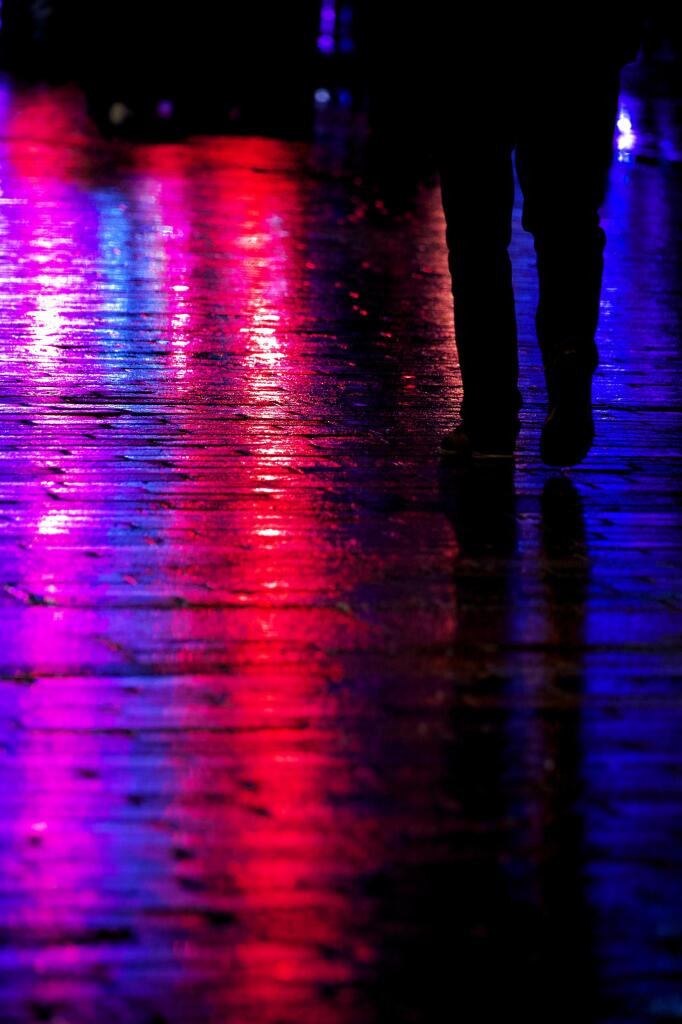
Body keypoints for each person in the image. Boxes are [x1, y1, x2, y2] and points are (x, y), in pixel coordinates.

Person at [436, 12, 643, 465]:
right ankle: (569, 352)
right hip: (578, 42)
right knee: (567, 220)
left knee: (477, 234)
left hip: (476, 48)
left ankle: (489, 418)